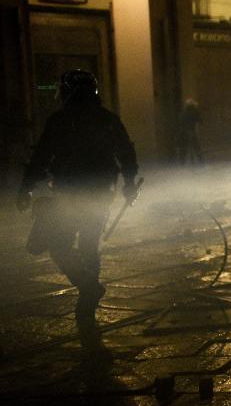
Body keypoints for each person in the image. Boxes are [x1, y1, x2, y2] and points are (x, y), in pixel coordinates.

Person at [17, 70, 139, 325]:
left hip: (68, 190)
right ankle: (89, 291)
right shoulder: (107, 119)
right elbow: (126, 152)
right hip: (101, 191)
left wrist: (26, 188)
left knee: (60, 245)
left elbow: (41, 157)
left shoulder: (59, 120)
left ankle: (87, 286)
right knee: (89, 244)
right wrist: (129, 184)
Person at [177, 98, 203, 165]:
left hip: (183, 132)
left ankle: (182, 162)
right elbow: (200, 120)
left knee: (183, 148)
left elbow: (180, 121)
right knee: (197, 147)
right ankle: (201, 161)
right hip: (192, 131)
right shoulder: (195, 111)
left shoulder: (183, 112)